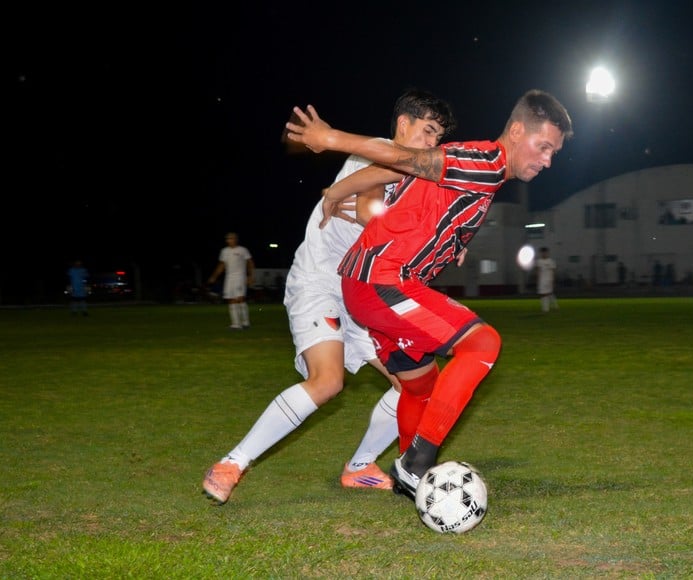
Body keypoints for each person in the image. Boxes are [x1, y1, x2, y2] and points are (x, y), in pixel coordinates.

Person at [285, 89, 573, 499]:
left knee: (420, 385)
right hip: (380, 280)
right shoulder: (487, 164)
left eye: (553, 153)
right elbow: (403, 158)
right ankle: (416, 463)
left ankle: (410, 477)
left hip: (367, 283)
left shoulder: (477, 166)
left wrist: (336, 191)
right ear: (516, 130)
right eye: (543, 147)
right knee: (482, 343)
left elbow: (392, 170)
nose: (546, 160)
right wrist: (331, 139)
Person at [202, 90, 457, 504]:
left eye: (437, 137)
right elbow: (367, 209)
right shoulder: (376, 153)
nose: (431, 143)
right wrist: (408, 227)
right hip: (321, 281)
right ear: (403, 124)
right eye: (427, 131)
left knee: (415, 386)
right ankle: (232, 462)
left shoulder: (416, 180)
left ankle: (359, 467)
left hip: (365, 293)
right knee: (328, 381)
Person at [206, 232, 255, 330]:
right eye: (228, 239)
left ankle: (245, 322)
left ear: (236, 239)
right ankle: (236, 324)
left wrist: (250, 276)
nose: (229, 240)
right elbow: (221, 265)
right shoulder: (224, 251)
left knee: (239, 298)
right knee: (231, 299)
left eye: (231, 238)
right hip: (229, 278)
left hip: (240, 277)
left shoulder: (242, 250)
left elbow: (250, 263)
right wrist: (214, 276)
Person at [535, 247, 558, 312]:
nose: (544, 254)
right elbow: (538, 271)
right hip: (542, 280)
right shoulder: (539, 261)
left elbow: (553, 271)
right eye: (542, 253)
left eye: (545, 252)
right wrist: (537, 280)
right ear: (541, 253)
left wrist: (553, 280)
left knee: (547, 293)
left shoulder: (551, 261)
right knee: (544, 294)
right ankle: (554, 306)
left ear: (547, 253)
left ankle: (546, 309)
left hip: (549, 280)